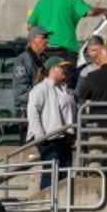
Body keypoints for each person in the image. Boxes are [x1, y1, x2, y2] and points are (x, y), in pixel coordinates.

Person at [27, 0, 107, 58]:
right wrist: (104, 10)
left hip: (44, 49)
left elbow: (30, 26)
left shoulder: (42, 1)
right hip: (67, 49)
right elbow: (91, 12)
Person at [28, 55, 77, 191]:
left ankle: (60, 201)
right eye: (61, 67)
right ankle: (47, 199)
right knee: (51, 170)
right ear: (53, 69)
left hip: (62, 137)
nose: (64, 70)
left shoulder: (63, 89)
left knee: (64, 170)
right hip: (49, 138)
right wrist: (40, 135)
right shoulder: (41, 89)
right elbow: (33, 112)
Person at [12, 26, 51, 118]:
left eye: (47, 38)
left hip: (43, 108)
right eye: (43, 37)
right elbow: (21, 93)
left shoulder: (44, 59)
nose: (47, 40)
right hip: (27, 111)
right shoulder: (22, 61)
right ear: (33, 40)